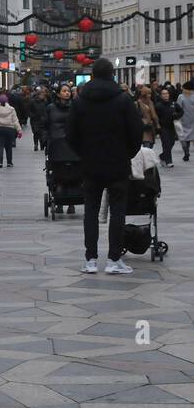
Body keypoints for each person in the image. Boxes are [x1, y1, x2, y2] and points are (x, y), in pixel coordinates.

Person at [66, 59, 143, 275]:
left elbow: (70, 134)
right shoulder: (123, 99)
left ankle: (90, 259)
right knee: (117, 210)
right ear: (112, 75)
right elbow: (136, 131)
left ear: (92, 75)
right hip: (118, 163)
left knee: (90, 210)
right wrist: (128, 153)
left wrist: (83, 153)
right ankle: (113, 259)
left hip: (90, 164)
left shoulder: (80, 101)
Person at [0, 93, 20, 168]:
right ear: (7, 101)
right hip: (9, 129)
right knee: (8, 147)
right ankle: (9, 162)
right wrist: (19, 130)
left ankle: (0, 163)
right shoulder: (11, 109)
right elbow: (15, 121)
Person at [155, 87, 178, 168]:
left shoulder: (173, 103)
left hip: (172, 127)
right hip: (163, 127)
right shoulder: (158, 105)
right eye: (164, 94)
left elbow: (181, 111)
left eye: (167, 93)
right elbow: (155, 117)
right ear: (161, 95)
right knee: (166, 144)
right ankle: (169, 161)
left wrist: (177, 116)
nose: (166, 95)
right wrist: (157, 127)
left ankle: (162, 156)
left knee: (172, 142)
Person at [178, 81, 194, 162]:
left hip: (183, 119)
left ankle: (186, 152)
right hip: (192, 119)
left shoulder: (181, 97)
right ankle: (186, 152)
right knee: (190, 136)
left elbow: (178, 107)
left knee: (183, 137)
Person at [28, 88, 49, 152]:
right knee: (36, 132)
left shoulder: (45, 102)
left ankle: (42, 144)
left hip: (43, 120)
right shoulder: (32, 102)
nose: (43, 96)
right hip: (34, 120)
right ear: (38, 95)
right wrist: (32, 115)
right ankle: (36, 144)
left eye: (43, 95)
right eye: (42, 95)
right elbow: (29, 110)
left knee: (42, 133)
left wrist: (46, 117)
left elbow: (47, 110)